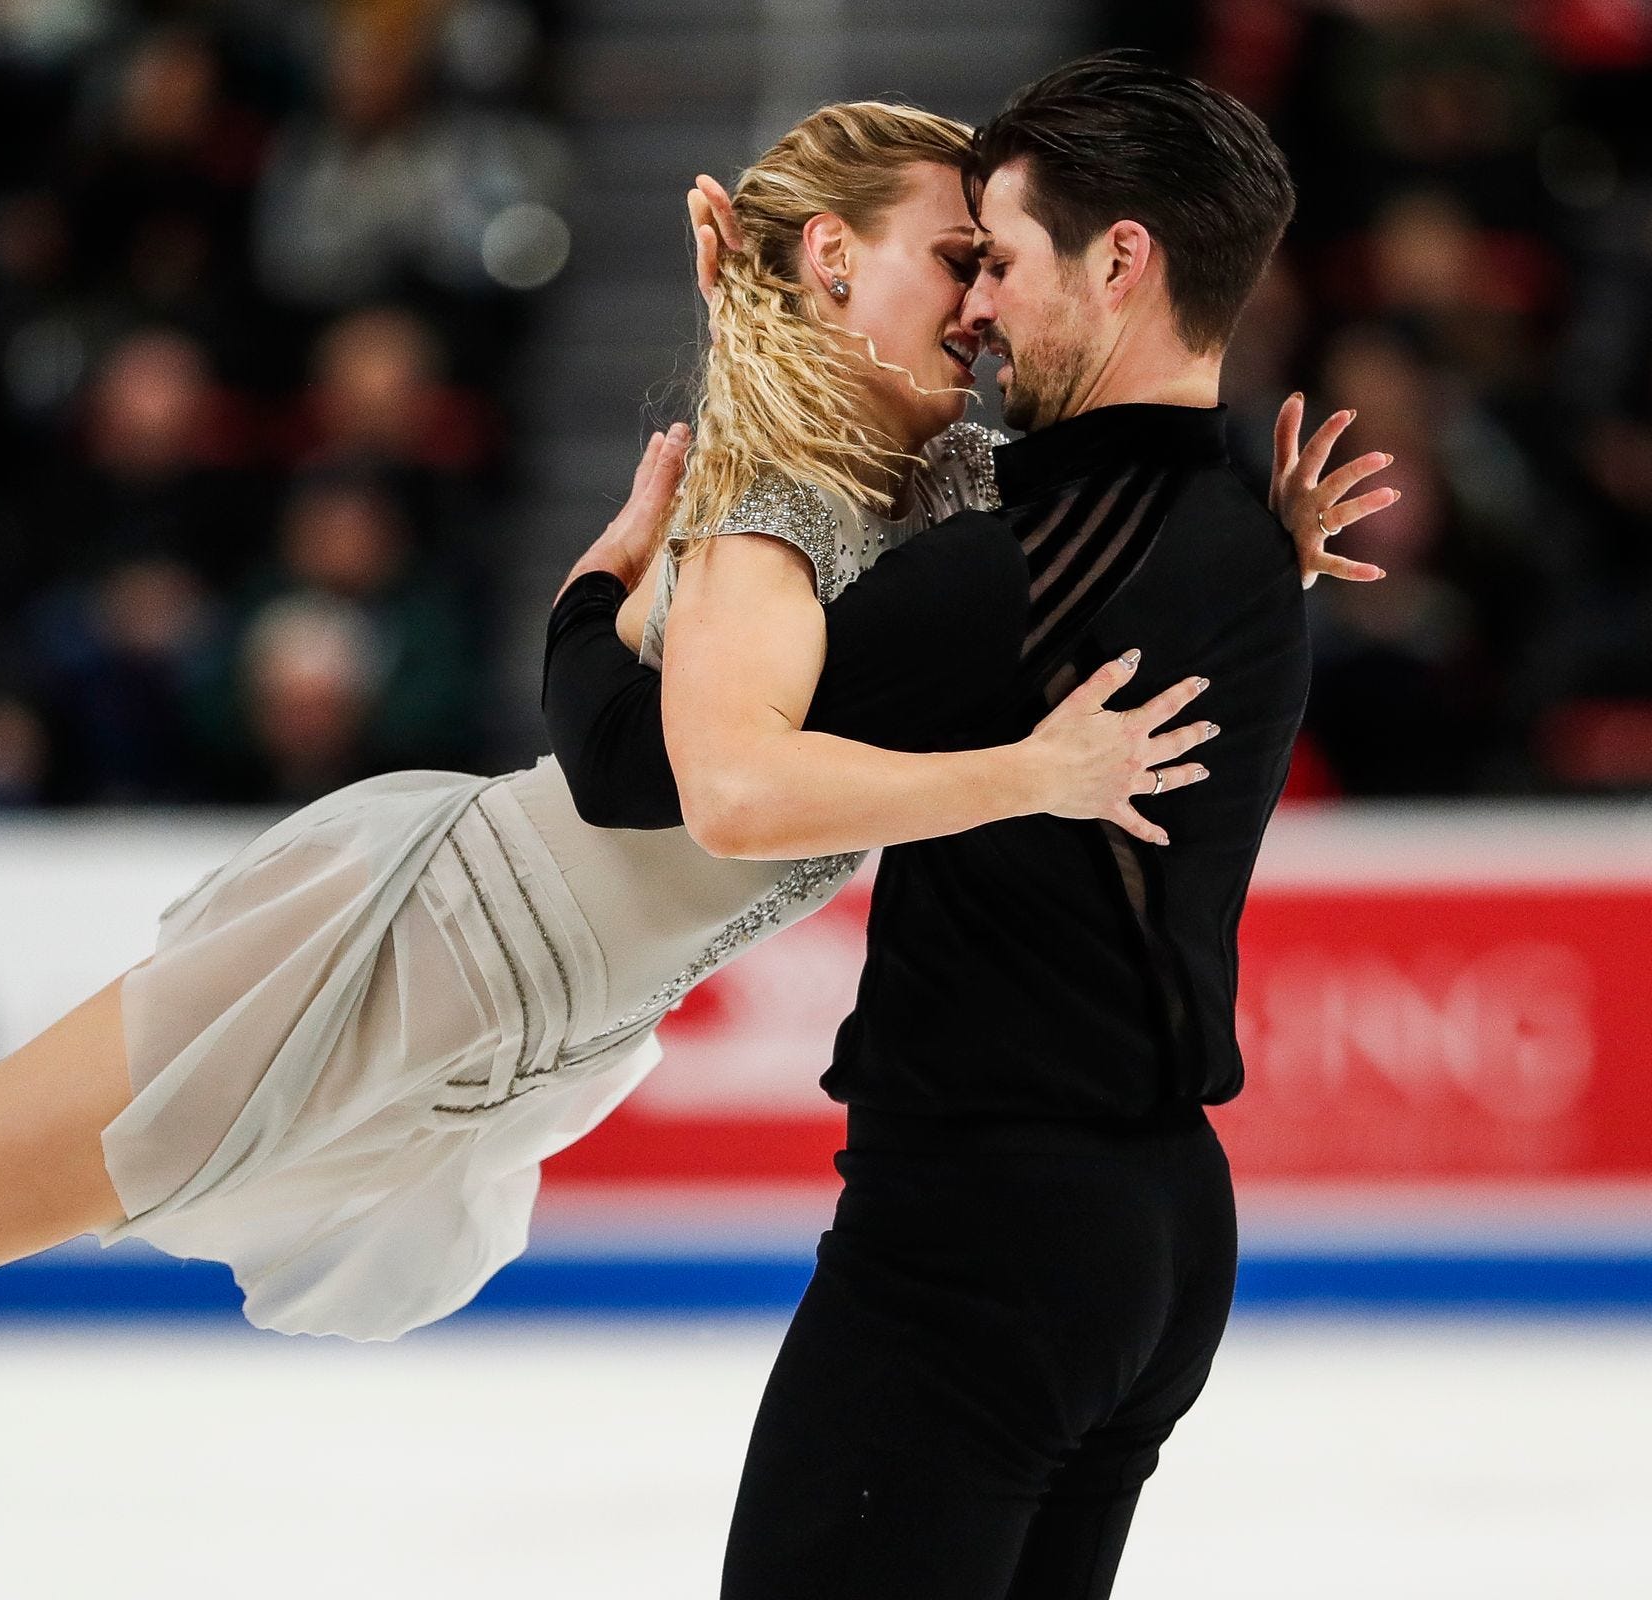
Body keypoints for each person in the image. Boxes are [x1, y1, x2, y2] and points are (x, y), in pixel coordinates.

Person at [0, 96, 1377, 1468]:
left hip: (526, 1014)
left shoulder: (941, 489)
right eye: (953, 255)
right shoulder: (777, 513)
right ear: (831, 257)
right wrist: (1024, 766)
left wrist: (1251, 543)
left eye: (987, 264)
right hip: (432, 931)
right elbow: (710, 793)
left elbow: (1086, 523)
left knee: (17, 1195)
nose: (976, 301)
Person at [544, 55, 1379, 1600]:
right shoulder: (1247, 540)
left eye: (996, 258)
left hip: (979, 1246)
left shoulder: (1008, 580)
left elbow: (627, 762)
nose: (977, 308)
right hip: (1167, 1240)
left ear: (1121, 262)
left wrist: (597, 589)